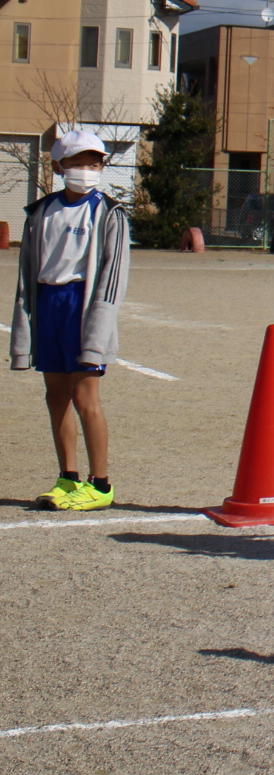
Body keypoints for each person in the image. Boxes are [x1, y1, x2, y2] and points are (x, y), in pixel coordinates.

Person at [11, 130, 130, 512]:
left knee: (85, 397)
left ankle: (101, 484)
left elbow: (112, 276)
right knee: (56, 396)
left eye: (94, 163)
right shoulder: (41, 212)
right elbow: (28, 272)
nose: (86, 170)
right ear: (59, 166)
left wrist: (99, 323)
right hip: (49, 303)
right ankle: (68, 477)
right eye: (78, 163)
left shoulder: (108, 212)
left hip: (83, 306)